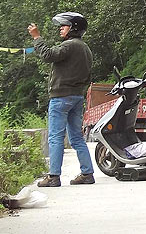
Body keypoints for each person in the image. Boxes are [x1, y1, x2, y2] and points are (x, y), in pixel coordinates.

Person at [28, 12, 95, 187]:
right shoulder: (85, 48)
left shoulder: (70, 45)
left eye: (64, 26)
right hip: (77, 96)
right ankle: (87, 173)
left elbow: (48, 55)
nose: (61, 28)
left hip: (61, 97)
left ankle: (53, 177)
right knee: (76, 138)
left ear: (73, 29)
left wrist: (37, 37)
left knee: (55, 137)